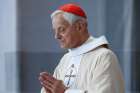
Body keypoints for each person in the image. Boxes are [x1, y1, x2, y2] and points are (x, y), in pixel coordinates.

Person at [39, 3, 125, 93]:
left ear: (79, 27)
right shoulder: (66, 59)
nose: (56, 36)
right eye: (55, 31)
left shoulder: (104, 57)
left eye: (62, 29)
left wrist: (65, 91)